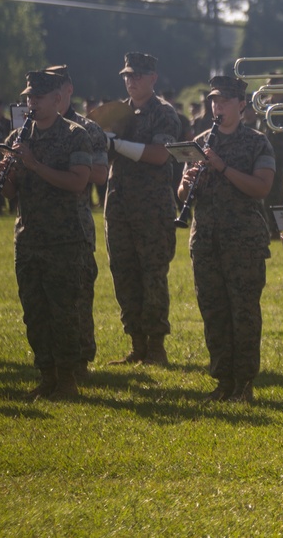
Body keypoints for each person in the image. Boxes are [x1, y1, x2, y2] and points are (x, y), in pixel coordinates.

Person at [0, 70, 92, 400]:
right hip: (29, 238)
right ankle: (47, 375)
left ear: (57, 99)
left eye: (37, 97)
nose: (31, 103)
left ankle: (67, 378)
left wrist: (34, 165)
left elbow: (79, 183)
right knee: (34, 312)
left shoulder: (76, 135)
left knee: (64, 312)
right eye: (28, 97)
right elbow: (10, 193)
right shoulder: (17, 138)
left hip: (63, 240)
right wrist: (2, 176)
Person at [178, 76, 275, 403]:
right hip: (206, 240)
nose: (217, 107)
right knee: (214, 312)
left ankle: (244, 384)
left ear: (241, 105)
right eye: (214, 101)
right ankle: (223, 381)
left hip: (243, 242)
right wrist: (189, 180)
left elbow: (261, 188)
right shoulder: (202, 141)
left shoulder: (257, 142)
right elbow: (181, 192)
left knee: (243, 313)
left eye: (224, 101)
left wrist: (221, 168)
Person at [106, 52, 182, 366]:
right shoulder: (115, 112)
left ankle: (156, 347)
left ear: (153, 78)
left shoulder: (163, 112)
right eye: (127, 75)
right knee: (124, 275)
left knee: (152, 276)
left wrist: (116, 144)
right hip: (119, 206)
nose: (131, 81)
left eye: (137, 75)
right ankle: (137, 345)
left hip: (152, 209)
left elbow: (160, 155)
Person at [44, 65, 109, 379]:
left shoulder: (88, 129)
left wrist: (61, 166)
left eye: (56, 86)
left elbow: (99, 174)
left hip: (74, 222)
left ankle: (81, 359)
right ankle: (51, 361)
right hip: (38, 223)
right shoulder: (33, 128)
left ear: (69, 89)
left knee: (78, 293)